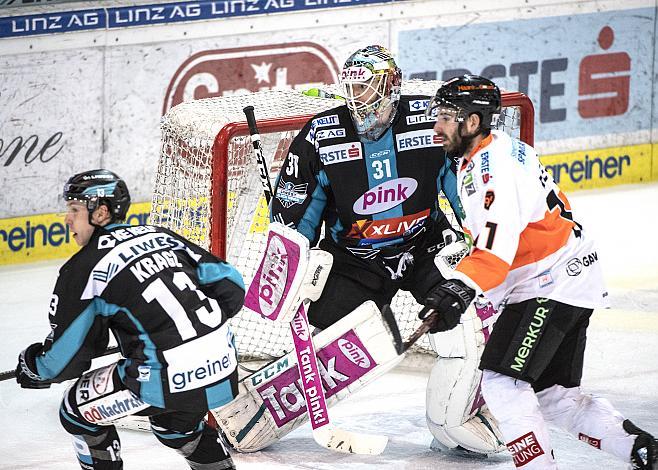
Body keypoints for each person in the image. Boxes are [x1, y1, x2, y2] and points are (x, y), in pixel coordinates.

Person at [267, 45, 503, 455]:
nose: (359, 99)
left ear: (392, 86)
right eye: (353, 88)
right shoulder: (321, 135)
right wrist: (293, 263)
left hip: (425, 246)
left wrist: (480, 241)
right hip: (355, 260)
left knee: (463, 320)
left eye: (369, 87)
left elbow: (464, 187)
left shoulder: (431, 121)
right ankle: (264, 412)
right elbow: (295, 214)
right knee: (325, 341)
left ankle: (456, 417)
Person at [424, 74, 658, 469]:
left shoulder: (492, 170)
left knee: (501, 382)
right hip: (565, 277)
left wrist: (458, 289)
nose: (437, 126)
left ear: (474, 122)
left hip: (549, 283)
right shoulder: (492, 154)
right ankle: (641, 450)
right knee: (554, 396)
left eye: (447, 117)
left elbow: (497, 253)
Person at [14, 169, 245, 470]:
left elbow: (66, 361)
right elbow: (233, 286)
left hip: (166, 375)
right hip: (224, 364)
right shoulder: (160, 235)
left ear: (100, 212)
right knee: (176, 428)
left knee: (75, 411)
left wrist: (34, 366)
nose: (67, 219)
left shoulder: (83, 268)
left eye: (74, 209)